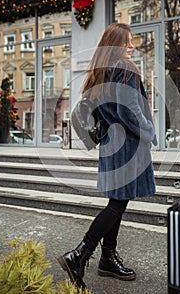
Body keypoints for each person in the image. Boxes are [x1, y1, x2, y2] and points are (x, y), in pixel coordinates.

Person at [58, 22, 157, 289]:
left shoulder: (101, 71)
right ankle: (79, 254)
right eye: (127, 42)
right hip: (127, 146)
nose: (131, 46)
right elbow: (130, 112)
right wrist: (149, 131)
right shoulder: (124, 69)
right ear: (115, 44)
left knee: (118, 201)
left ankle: (107, 258)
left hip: (112, 145)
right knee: (117, 205)